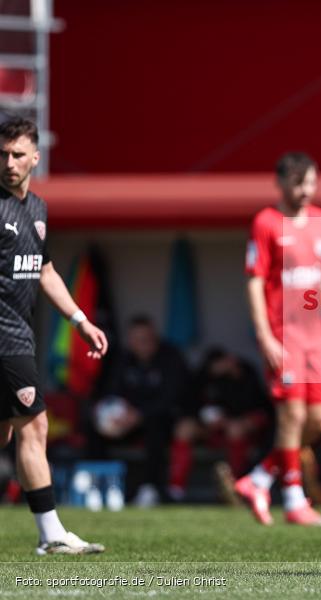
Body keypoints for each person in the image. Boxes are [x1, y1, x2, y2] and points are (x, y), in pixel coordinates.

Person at [0, 117, 109, 554]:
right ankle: (52, 536)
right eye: (3, 155)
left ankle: (52, 536)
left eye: (18, 155)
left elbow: (44, 271)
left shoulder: (38, 210)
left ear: (36, 157)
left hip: (20, 336)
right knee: (35, 426)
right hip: (5, 341)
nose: (9, 163)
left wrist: (80, 320)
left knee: (8, 436)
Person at [233, 152, 321, 527]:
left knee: (320, 422)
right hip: (284, 335)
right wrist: (265, 336)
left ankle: (260, 477)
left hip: (316, 338)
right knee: (293, 414)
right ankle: (295, 500)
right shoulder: (266, 222)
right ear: (281, 183)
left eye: (311, 183)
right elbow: (254, 282)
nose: (306, 191)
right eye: (299, 184)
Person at [89, 315, 189, 506]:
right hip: (127, 421)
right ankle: (99, 485)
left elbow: (171, 398)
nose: (144, 344)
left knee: (155, 427)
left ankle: (150, 488)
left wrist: (140, 414)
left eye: (147, 339)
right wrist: (119, 412)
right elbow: (110, 391)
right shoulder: (123, 360)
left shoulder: (171, 358)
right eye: (138, 340)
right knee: (94, 427)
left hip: (159, 419)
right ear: (131, 341)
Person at [168, 348, 270, 501]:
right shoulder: (206, 376)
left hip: (240, 430)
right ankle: (175, 488)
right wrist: (204, 417)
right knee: (184, 428)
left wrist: (229, 420)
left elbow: (260, 409)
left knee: (235, 429)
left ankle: (236, 485)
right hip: (212, 430)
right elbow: (190, 404)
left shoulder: (246, 373)